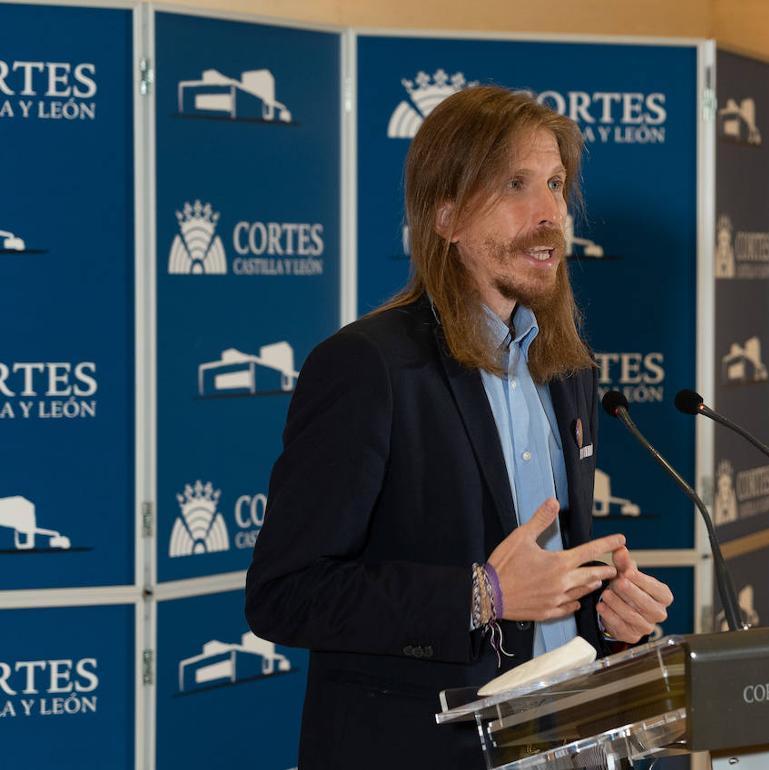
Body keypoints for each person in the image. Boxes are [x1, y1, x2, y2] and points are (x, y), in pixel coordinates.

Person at [245, 86, 675, 768]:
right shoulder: (368, 367)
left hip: (561, 744)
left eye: (557, 185)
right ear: (445, 216)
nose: (550, 215)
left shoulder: (568, 370)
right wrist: (484, 594)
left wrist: (608, 613)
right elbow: (285, 596)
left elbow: (548, 582)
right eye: (515, 185)